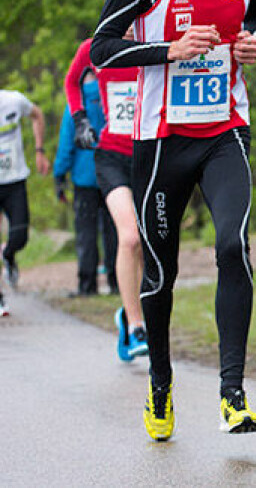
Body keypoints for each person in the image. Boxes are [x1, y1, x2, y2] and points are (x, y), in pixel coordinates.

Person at [91, 0, 256, 441]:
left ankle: (232, 395)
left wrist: (253, 43)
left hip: (224, 131)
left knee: (233, 244)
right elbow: (102, 50)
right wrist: (169, 49)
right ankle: (160, 385)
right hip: (162, 141)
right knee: (160, 273)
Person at [64, 36, 148, 361]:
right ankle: (137, 326)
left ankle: (129, 313)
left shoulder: (156, 39)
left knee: (149, 247)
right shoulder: (94, 47)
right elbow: (71, 81)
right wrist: (80, 119)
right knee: (130, 237)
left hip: (150, 155)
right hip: (111, 156)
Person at [53, 68, 119, 297]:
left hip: (85, 177)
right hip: (114, 174)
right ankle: (116, 282)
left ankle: (88, 285)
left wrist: (59, 175)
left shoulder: (76, 102)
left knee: (86, 233)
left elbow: (66, 143)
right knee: (115, 231)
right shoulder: (114, 94)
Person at [0, 89, 51, 316]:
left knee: (20, 236)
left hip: (15, 180)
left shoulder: (13, 101)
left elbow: (37, 114)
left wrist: (40, 151)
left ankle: (8, 254)